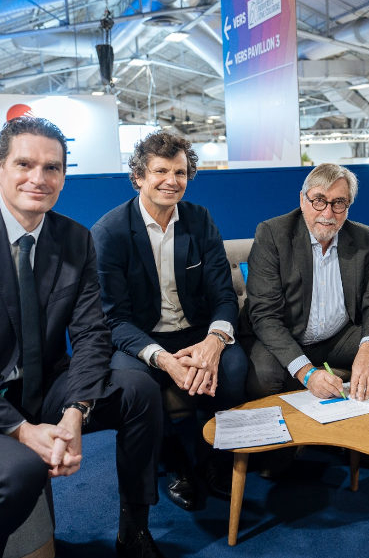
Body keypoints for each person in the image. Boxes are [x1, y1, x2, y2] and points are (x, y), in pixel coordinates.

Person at [0, 117, 171, 558]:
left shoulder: (75, 239)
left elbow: (91, 334)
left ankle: (134, 531)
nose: (38, 178)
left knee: (139, 390)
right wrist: (20, 430)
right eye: (25, 164)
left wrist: (76, 412)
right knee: (19, 471)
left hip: (34, 386)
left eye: (52, 168)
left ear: (63, 176)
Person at [91, 131, 247, 509]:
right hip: (141, 336)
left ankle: (215, 457)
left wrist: (213, 344)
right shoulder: (109, 232)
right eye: (160, 171)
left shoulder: (199, 220)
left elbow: (224, 296)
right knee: (134, 385)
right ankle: (176, 462)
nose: (171, 181)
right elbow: (114, 319)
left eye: (179, 172)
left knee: (234, 368)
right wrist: (163, 360)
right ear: (139, 177)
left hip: (197, 331)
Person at [244, 163, 369, 403]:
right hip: (287, 336)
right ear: (303, 200)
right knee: (264, 376)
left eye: (339, 203)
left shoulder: (363, 238)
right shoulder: (272, 234)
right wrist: (307, 373)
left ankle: (352, 408)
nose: (328, 213)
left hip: (336, 338)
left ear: (348, 205)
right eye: (319, 200)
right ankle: (303, 416)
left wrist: (368, 350)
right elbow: (264, 315)